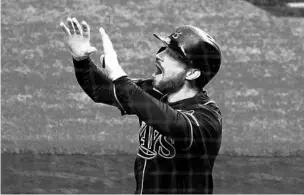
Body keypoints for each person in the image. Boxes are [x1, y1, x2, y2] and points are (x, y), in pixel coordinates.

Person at [60, 17, 222, 194]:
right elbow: (100, 89)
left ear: (192, 73)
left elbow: (172, 122)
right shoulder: (153, 92)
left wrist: (121, 78)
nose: (159, 56)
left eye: (173, 55)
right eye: (164, 49)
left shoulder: (207, 119)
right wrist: (81, 60)